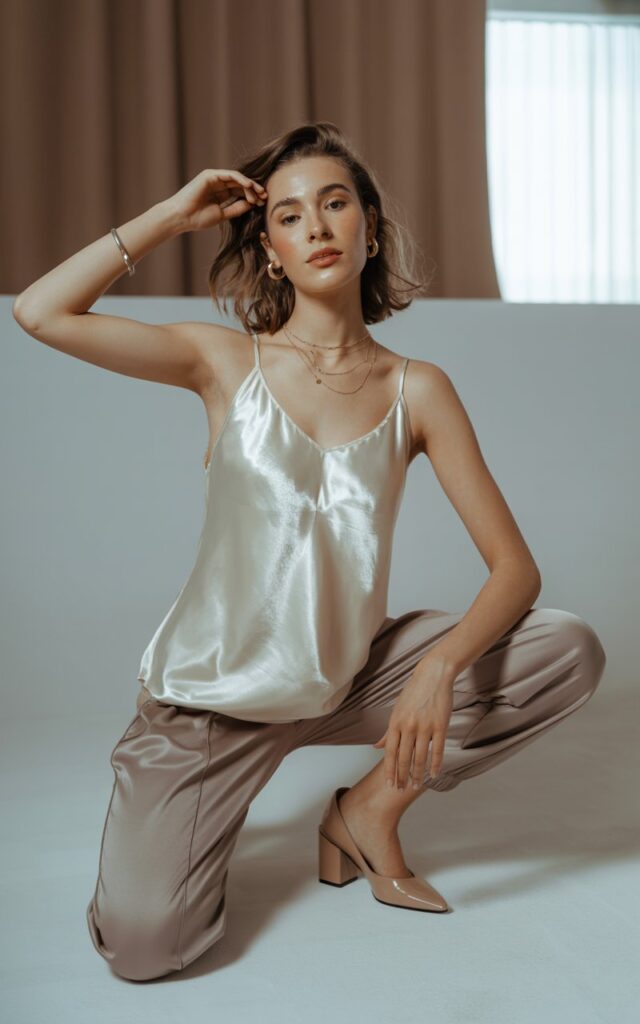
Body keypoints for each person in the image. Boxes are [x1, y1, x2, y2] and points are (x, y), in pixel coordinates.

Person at [12, 121, 606, 982]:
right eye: (290, 216)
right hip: (211, 705)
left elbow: (517, 571)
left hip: (347, 674)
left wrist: (438, 669)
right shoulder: (222, 362)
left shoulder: (418, 388)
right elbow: (39, 312)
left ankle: (365, 814)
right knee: (145, 947)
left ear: (370, 228)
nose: (317, 227)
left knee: (567, 648)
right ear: (271, 251)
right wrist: (170, 217)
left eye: (335, 204)